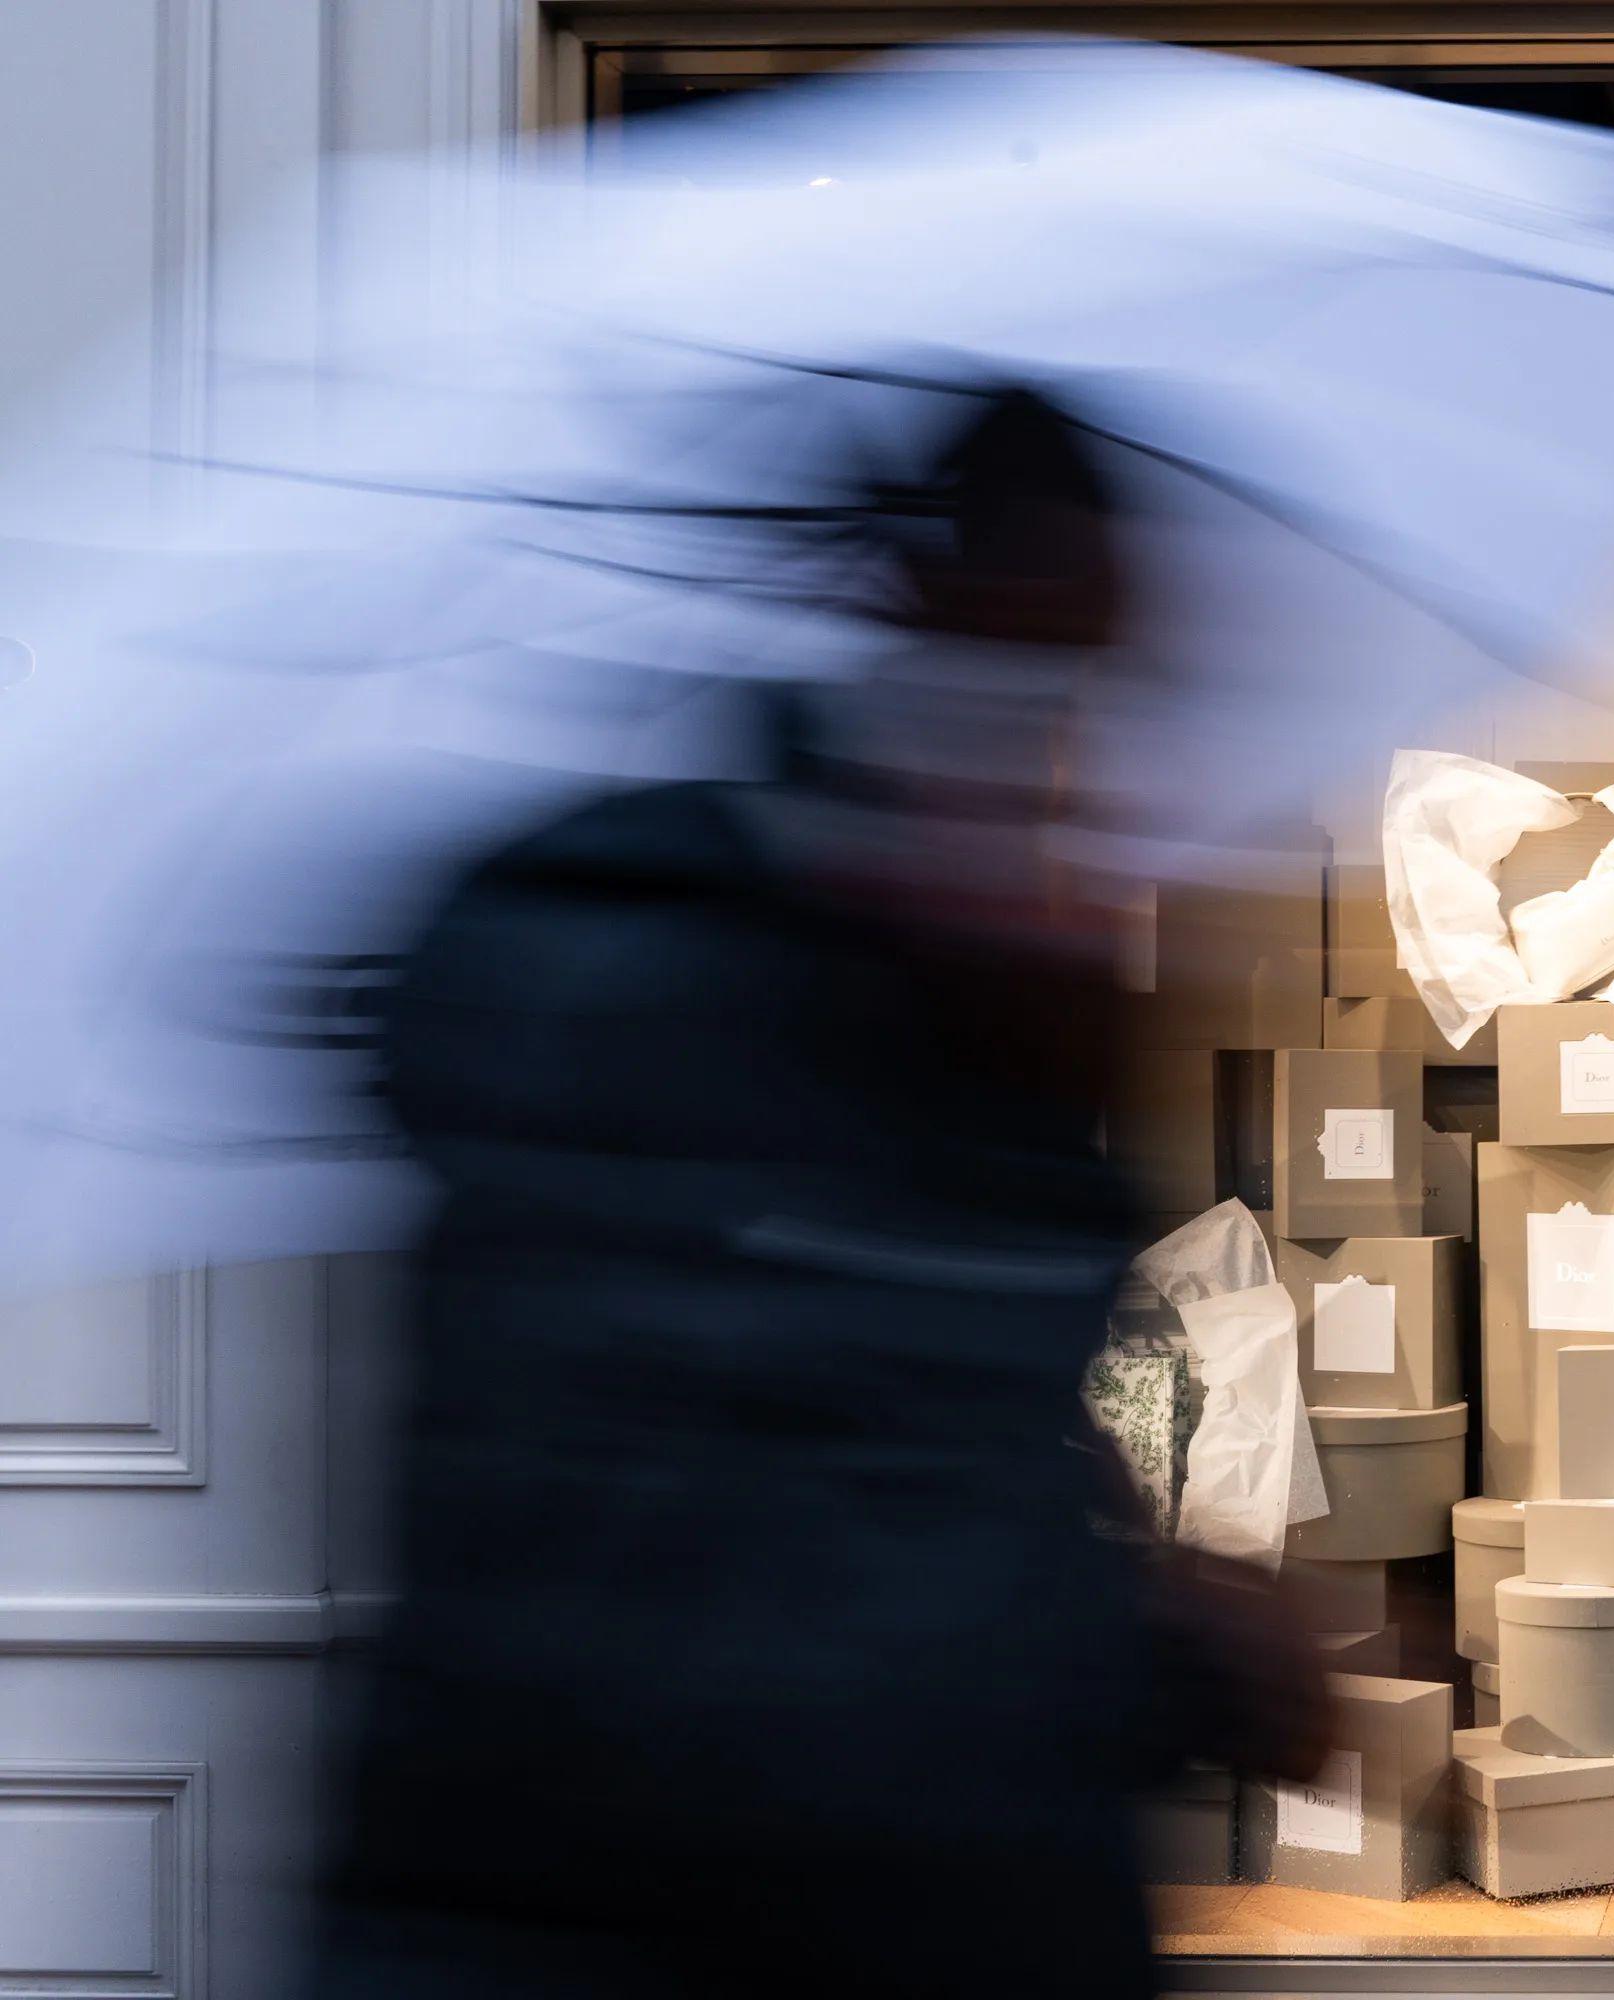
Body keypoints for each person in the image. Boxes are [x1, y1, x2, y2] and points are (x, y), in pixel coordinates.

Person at [309, 386, 1325, 2000]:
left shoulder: (971, 1029)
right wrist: (1158, 1653)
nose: (1091, 770)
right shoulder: (612, 974)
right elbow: (740, 1631)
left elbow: (941, 1481)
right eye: (1052, 680)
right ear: (900, 619)